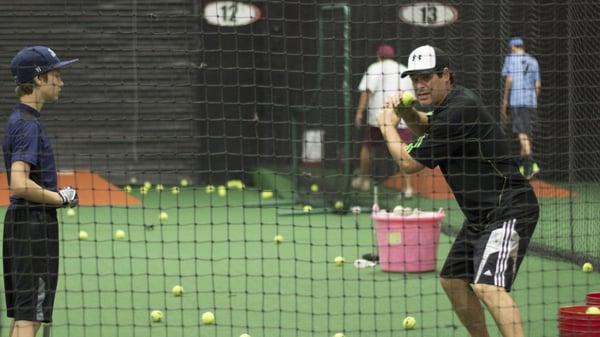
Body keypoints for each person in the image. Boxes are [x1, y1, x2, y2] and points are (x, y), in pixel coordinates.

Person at [378, 45, 539, 337]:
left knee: (487, 286)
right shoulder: (449, 106)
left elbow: (409, 163)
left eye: (427, 77)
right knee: (453, 279)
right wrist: (408, 112)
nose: (419, 85)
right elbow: (429, 128)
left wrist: (388, 127)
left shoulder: (460, 108)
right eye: (415, 79)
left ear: (446, 76)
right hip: (481, 215)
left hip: (510, 208)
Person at [3, 46, 79, 337]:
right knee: (30, 317)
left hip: (23, 225)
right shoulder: (27, 126)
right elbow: (20, 184)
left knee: (26, 314)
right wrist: (61, 198)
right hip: (33, 227)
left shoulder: (21, 121)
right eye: (56, 75)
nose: (61, 82)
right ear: (38, 80)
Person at [353, 44, 414, 198]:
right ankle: (408, 188)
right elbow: (411, 96)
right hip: (400, 118)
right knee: (403, 152)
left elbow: (367, 92)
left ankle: (364, 181)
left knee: (367, 147)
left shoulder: (375, 67)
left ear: (378, 56)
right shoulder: (403, 69)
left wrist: (359, 113)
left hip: (378, 118)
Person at [501, 37, 541, 179]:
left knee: (521, 134)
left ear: (512, 47)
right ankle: (523, 168)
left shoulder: (511, 59)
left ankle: (532, 163)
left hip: (517, 101)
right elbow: (538, 86)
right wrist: (532, 98)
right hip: (531, 102)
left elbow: (509, 80)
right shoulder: (533, 61)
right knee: (527, 135)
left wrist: (505, 101)